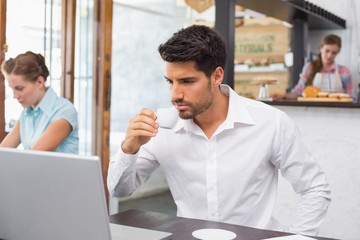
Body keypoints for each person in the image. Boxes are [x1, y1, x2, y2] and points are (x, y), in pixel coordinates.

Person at [107, 25, 331, 235]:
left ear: (216, 76)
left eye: (186, 81)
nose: (175, 94)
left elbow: (315, 188)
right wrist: (129, 148)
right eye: (170, 81)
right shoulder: (161, 127)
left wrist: (298, 238)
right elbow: (120, 191)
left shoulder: (270, 122)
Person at [0, 51, 79, 153]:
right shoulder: (26, 114)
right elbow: (3, 152)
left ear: (40, 82)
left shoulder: (64, 111)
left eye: (19, 88)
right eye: (12, 89)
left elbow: (33, 159)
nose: (15, 96)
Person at [272, 34, 352, 100]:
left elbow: (351, 97)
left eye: (334, 53)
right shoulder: (309, 67)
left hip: (339, 113)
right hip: (313, 112)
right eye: (327, 51)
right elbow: (299, 91)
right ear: (321, 48)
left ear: (338, 52)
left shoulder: (344, 71)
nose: (329, 55)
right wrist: (284, 96)